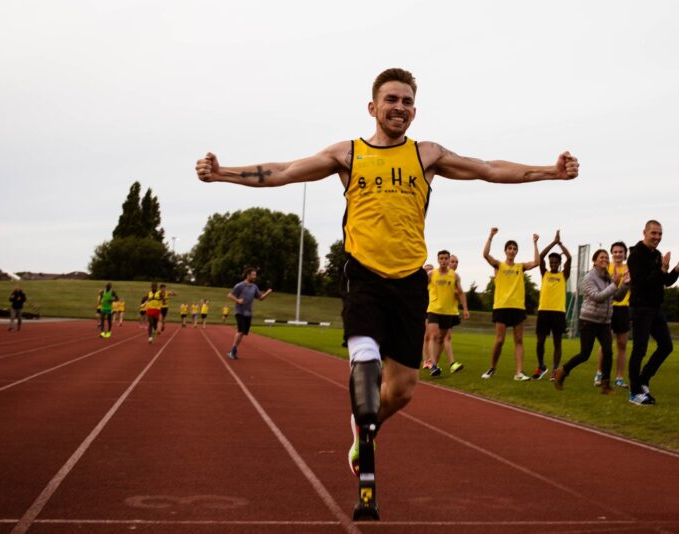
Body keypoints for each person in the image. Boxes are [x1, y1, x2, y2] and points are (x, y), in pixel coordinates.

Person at [195, 67, 578, 515]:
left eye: (407, 102)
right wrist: (225, 175)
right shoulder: (348, 154)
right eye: (391, 100)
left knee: (404, 389)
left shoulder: (427, 155)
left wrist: (550, 172)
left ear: (414, 110)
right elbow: (284, 171)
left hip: (410, 281)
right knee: (364, 357)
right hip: (364, 275)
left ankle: (363, 429)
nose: (400, 108)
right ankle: (364, 402)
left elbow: (489, 169)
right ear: (372, 107)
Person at [627, 220, 679, 405]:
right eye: (653, 233)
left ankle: (644, 379)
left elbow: (666, 281)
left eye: (660, 234)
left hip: (656, 308)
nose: (657, 237)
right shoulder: (635, 255)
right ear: (644, 233)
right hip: (640, 308)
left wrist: (676, 269)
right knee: (639, 350)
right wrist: (662, 269)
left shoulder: (657, 255)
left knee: (666, 346)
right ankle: (634, 392)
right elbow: (642, 284)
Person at [553, 248, 630, 394]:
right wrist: (615, 284)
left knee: (608, 352)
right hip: (589, 320)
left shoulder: (608, 277)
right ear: (594, 261)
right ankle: (562, 371)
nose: (605, 260)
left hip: (604, 321)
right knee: (585, 354)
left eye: (606, 258)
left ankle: (605, 385)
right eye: (601, 257)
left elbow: (617, 298)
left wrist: (626, 284)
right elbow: (597, 297)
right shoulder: (589, 278)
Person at [482, 228, 540, 381]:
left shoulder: (520, 267)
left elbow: (537, 262)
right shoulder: (499, 266)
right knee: (500, 340)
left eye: (514, 249)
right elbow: (486, 255)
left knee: (519, 340)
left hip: (517, 307)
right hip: (501, 306)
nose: (512, 251)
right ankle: (492, 368)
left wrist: (535, 243)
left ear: (516, 252)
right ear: (505, 251)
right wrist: (491, 236)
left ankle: (519, 372)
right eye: (510, 248)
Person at [534, 230, 572, 381]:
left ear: (559, 264)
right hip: (543, 311)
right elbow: (541, 256)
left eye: (556, 262)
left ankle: (555, 370)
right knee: (540, 341)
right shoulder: (545, 273)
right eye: (552, 262)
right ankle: (541, 365)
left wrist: (560, 244)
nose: (554, 264)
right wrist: (553, 243)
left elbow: (569, 257)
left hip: (558, 312)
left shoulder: (563, 275)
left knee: (557, 342)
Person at [426, 250, 470, 377]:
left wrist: (465, 308)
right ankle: (433, 365)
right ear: (438, 260)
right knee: (434, 335)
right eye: (441, 258)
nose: (444, 260)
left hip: (448, 312)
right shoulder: (431, 274)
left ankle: (435, 365)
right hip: (434, 309)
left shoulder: (454, 276)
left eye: (446, 258)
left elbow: (461, 293)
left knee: (441, 338)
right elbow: (421, 289)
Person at [594, 241, 630, 388]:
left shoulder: (629, 269)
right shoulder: (605, 268)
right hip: (608, 308)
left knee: (622, 344)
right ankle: (599, 374)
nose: (618, 254)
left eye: (620, 252)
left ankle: (619, 378)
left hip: (624, 309)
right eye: (615, 252)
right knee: (605, 343)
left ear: (625, 254)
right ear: (611, 253)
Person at [226, 268, 273, 359]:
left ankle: (233, 350)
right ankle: (233, 351)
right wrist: (238, 300)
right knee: (240, 331)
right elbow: (229, 295)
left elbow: (260, 298)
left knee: (243, 332)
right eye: (253, 275)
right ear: (248, 275)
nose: (255, 277)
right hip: (239, 311)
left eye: (255, 275)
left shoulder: (254, 287)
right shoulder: (240, 285)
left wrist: (267, 292)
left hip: (248, 313)